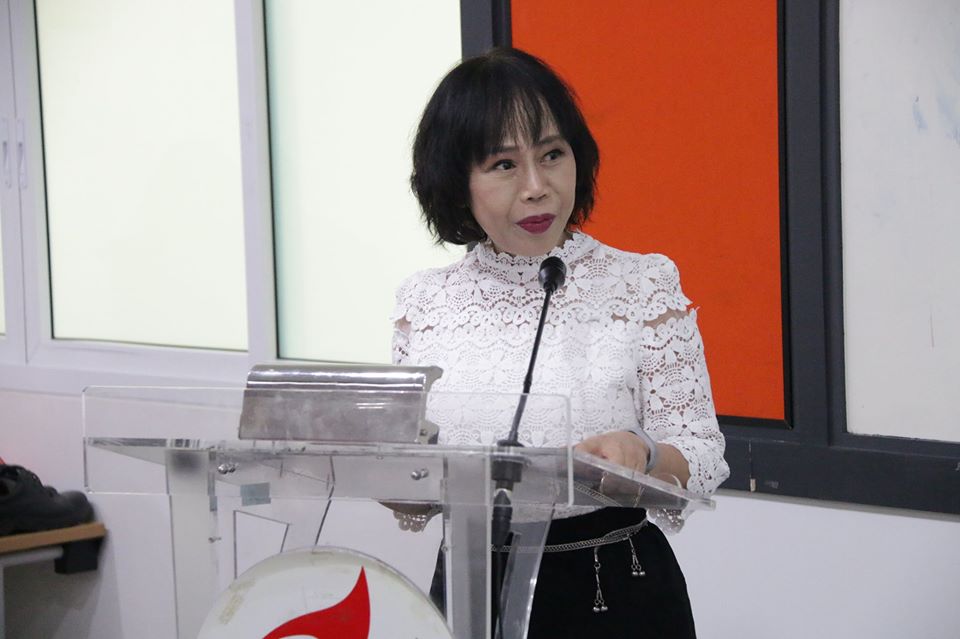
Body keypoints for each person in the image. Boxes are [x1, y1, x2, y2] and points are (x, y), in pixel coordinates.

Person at [391, 47, 729, 638]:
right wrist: (394, 476)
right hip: (470, 592)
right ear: (456, 181)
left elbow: (703, 455)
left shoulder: (642, 284)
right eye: (503, 165)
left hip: (612, 591)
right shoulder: (424, 302)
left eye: (552, 155)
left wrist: (642, 455)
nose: (537, 187)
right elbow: (411, 481)